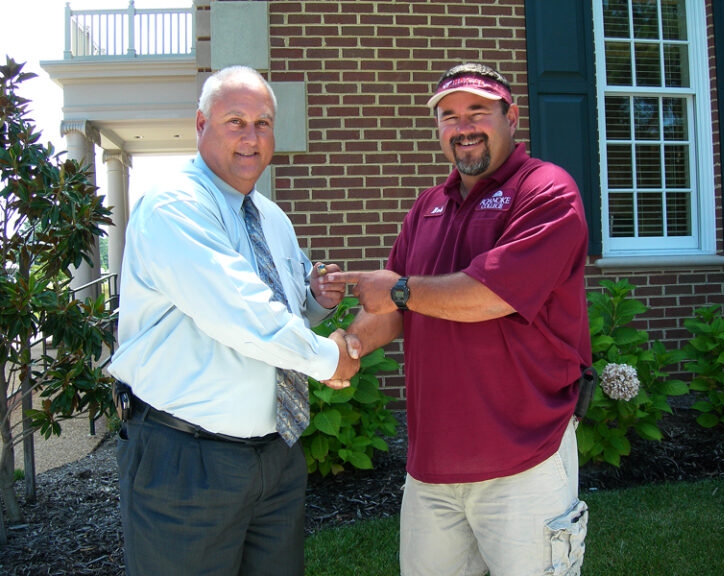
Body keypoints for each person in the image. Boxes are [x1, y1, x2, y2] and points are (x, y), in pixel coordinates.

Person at [323, 63, 592, 575]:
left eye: (477, 111)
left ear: (511, 117)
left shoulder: (546, 192)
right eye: (448, 116)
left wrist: (399, 289)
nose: (462, 126)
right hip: (432, 472)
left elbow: (490, 295)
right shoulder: (428, 207)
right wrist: (348, 347)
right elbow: (391, 311)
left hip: (525, 462)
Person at [108, 66, 359, 576]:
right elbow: (239, 314)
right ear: (201, 124)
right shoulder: (174, 207)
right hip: (186, 461)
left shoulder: (272, 218)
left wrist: (312, 301)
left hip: (276, 458)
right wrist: (331, 357)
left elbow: (276, 312)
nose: (251, 138)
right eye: (235, 122)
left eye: (263, 124)